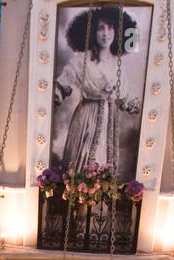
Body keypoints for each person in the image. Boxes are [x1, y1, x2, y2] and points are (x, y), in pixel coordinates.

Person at [52, 6, 142, 174]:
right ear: (93, 31)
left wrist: (134, 104)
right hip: (86, 119)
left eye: (110, 28)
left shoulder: (117, 63)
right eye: (101, 28)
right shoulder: (81, 60)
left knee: (103, 166)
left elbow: (123, 97)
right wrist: (55, 95)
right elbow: (64, 83)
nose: (106, 33)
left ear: (116, 31)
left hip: (110, 121)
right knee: (81, 165)